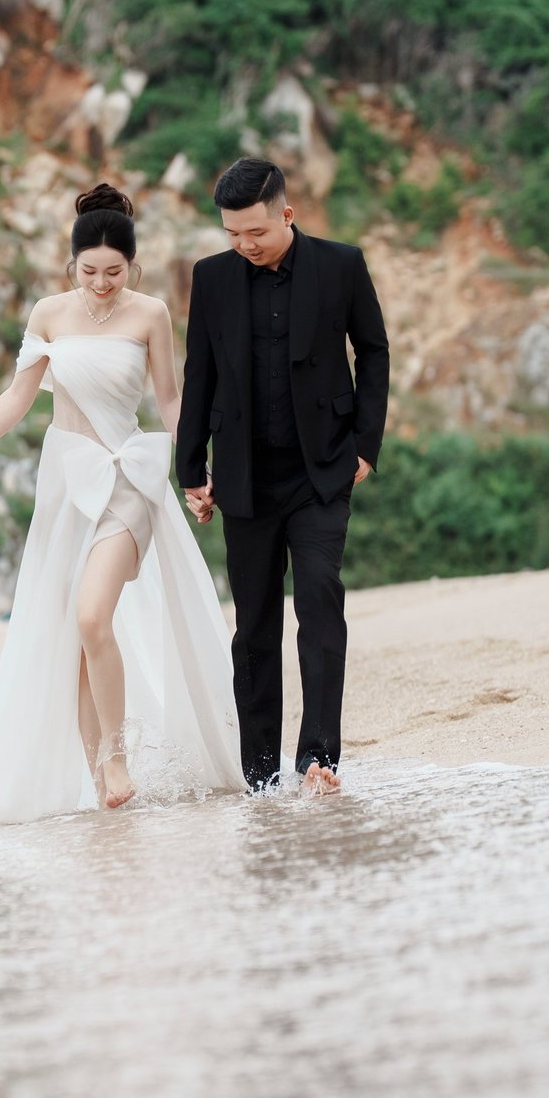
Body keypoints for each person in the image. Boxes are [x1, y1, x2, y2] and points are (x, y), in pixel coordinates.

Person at [0, 184, 245, 830]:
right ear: (69, 265)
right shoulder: (49, 315)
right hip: (66, 486)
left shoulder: (152, 314)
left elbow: (169, 401)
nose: (101, 284)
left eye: (114, 272)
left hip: (129, 476)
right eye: (89, 271)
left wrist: (194, 473)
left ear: (133, 266)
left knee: (92, 614)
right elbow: (17, 399)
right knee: (77, 636)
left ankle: (116, 753)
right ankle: (103, 785)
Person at [176, 157, 390, 796]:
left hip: (321, 468)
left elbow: (373, 351)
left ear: (286, 214)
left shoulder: (341, 266)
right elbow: (200, 373)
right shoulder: (211, 279)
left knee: (321, 597)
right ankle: (261, 774)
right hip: (244, 477)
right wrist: (192, 468)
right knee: (255, 625)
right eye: (233, 234)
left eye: (256, 233)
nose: (245, 245)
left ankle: (319, 759)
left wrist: (366, 445)